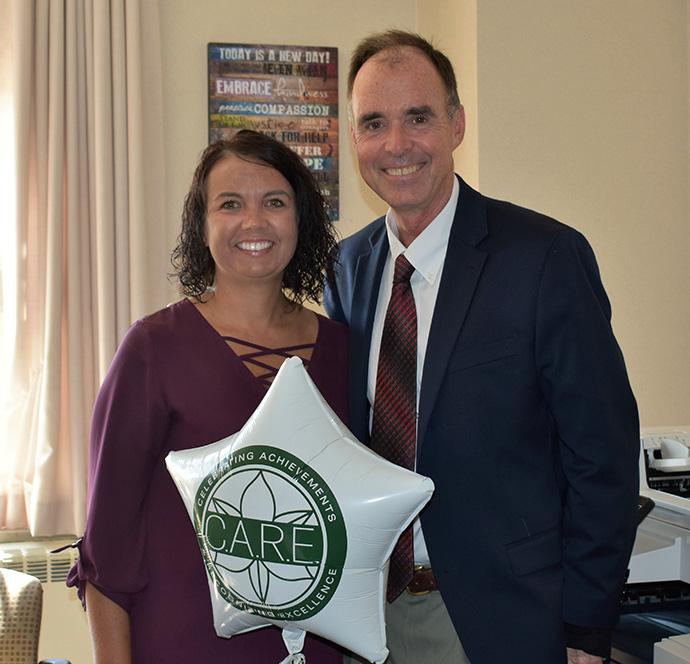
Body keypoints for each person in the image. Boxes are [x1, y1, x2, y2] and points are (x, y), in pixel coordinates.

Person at [324, 30, 639, 664]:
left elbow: (601, 455)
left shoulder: (544, 258)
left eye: (419, 117)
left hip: (506, 621)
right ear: (353, 138)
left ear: (456, 123)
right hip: (371, 621)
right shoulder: (347, 270)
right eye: (374, 123)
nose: (397, 145)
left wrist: (586, 628)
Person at [67, 130, 346, 663]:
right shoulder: (153, 350)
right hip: (180, 644)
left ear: (301, 218)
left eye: (275, 202)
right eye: (229, 204)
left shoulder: (343, 352)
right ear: (202, 223)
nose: (254, 222)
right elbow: (106, 549)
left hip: (313, 650)